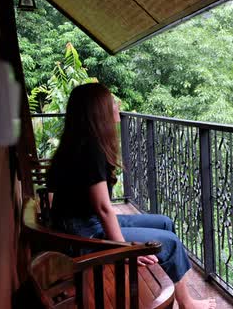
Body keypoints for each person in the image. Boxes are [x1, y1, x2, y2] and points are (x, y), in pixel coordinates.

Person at [47, 83, 216, 309]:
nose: (117, 106)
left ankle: (171, 283)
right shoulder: (90, 151)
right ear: (99, 111)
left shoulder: (79, 144)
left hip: (80, 225)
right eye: (112, 102)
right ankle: (186, 302)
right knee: (172, 243)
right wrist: (123, 251)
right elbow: (104, 208)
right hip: (84, 236)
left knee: (164, 223)